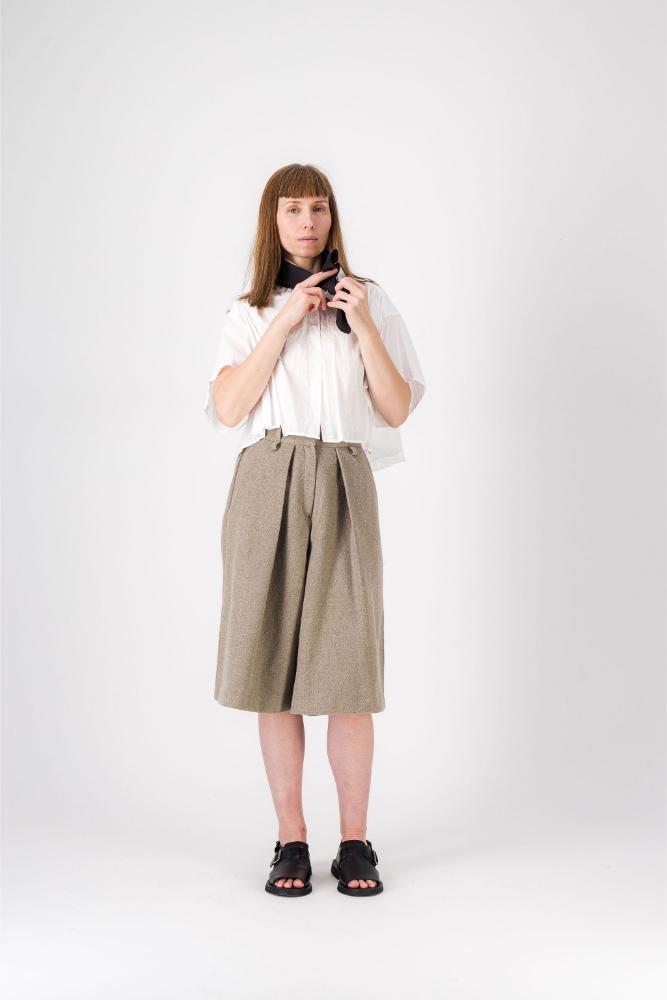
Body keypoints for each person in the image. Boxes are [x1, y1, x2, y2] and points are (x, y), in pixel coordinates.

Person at [204, 163, 426, 897]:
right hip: (268, 477)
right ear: (272, 221)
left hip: (343, 477)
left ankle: (355, 841)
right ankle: (291, 839)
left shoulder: (370, 299)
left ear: (333, 218)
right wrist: (284, 321)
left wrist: (361, 322)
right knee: (274, 672)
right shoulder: (249, 309)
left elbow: (395, 408)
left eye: (319, 209)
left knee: (349, 672)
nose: (307, 222)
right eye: (293, 209)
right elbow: (230, 407)